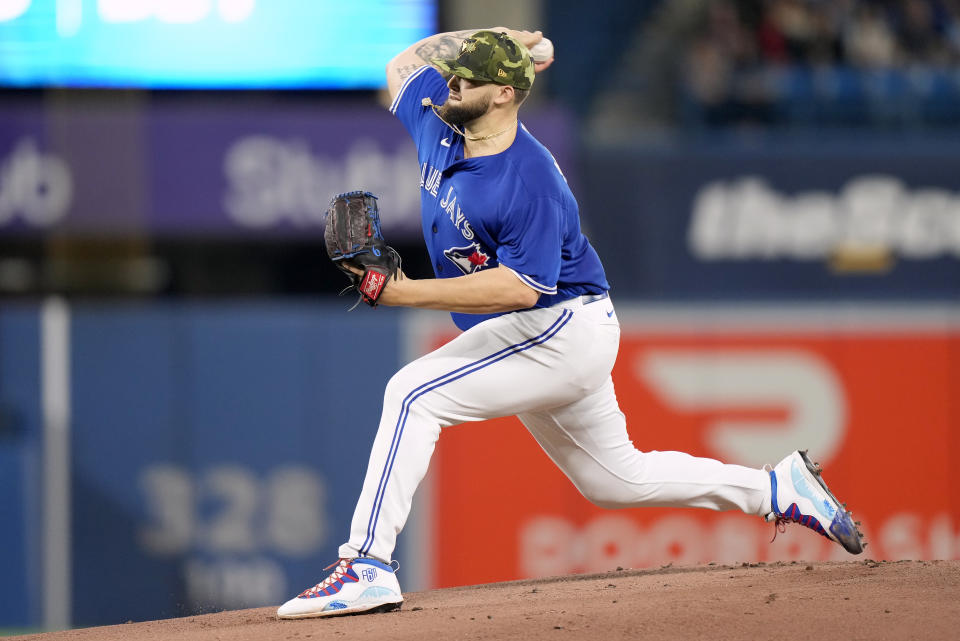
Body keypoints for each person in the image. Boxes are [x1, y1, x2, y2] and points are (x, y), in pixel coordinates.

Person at [276, 27, 864, 620]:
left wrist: (401, 294)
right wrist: (500, 36)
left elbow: (521, 287)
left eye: (469, 78)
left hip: (561, 327)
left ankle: (368, 565)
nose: (452, 83)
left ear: (504, 94)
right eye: (455, 74)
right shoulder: (439, 114)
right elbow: (404, 64)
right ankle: (778, 489)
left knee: (411, 394)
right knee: (617, 480)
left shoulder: (530, 176)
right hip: (542, 329)